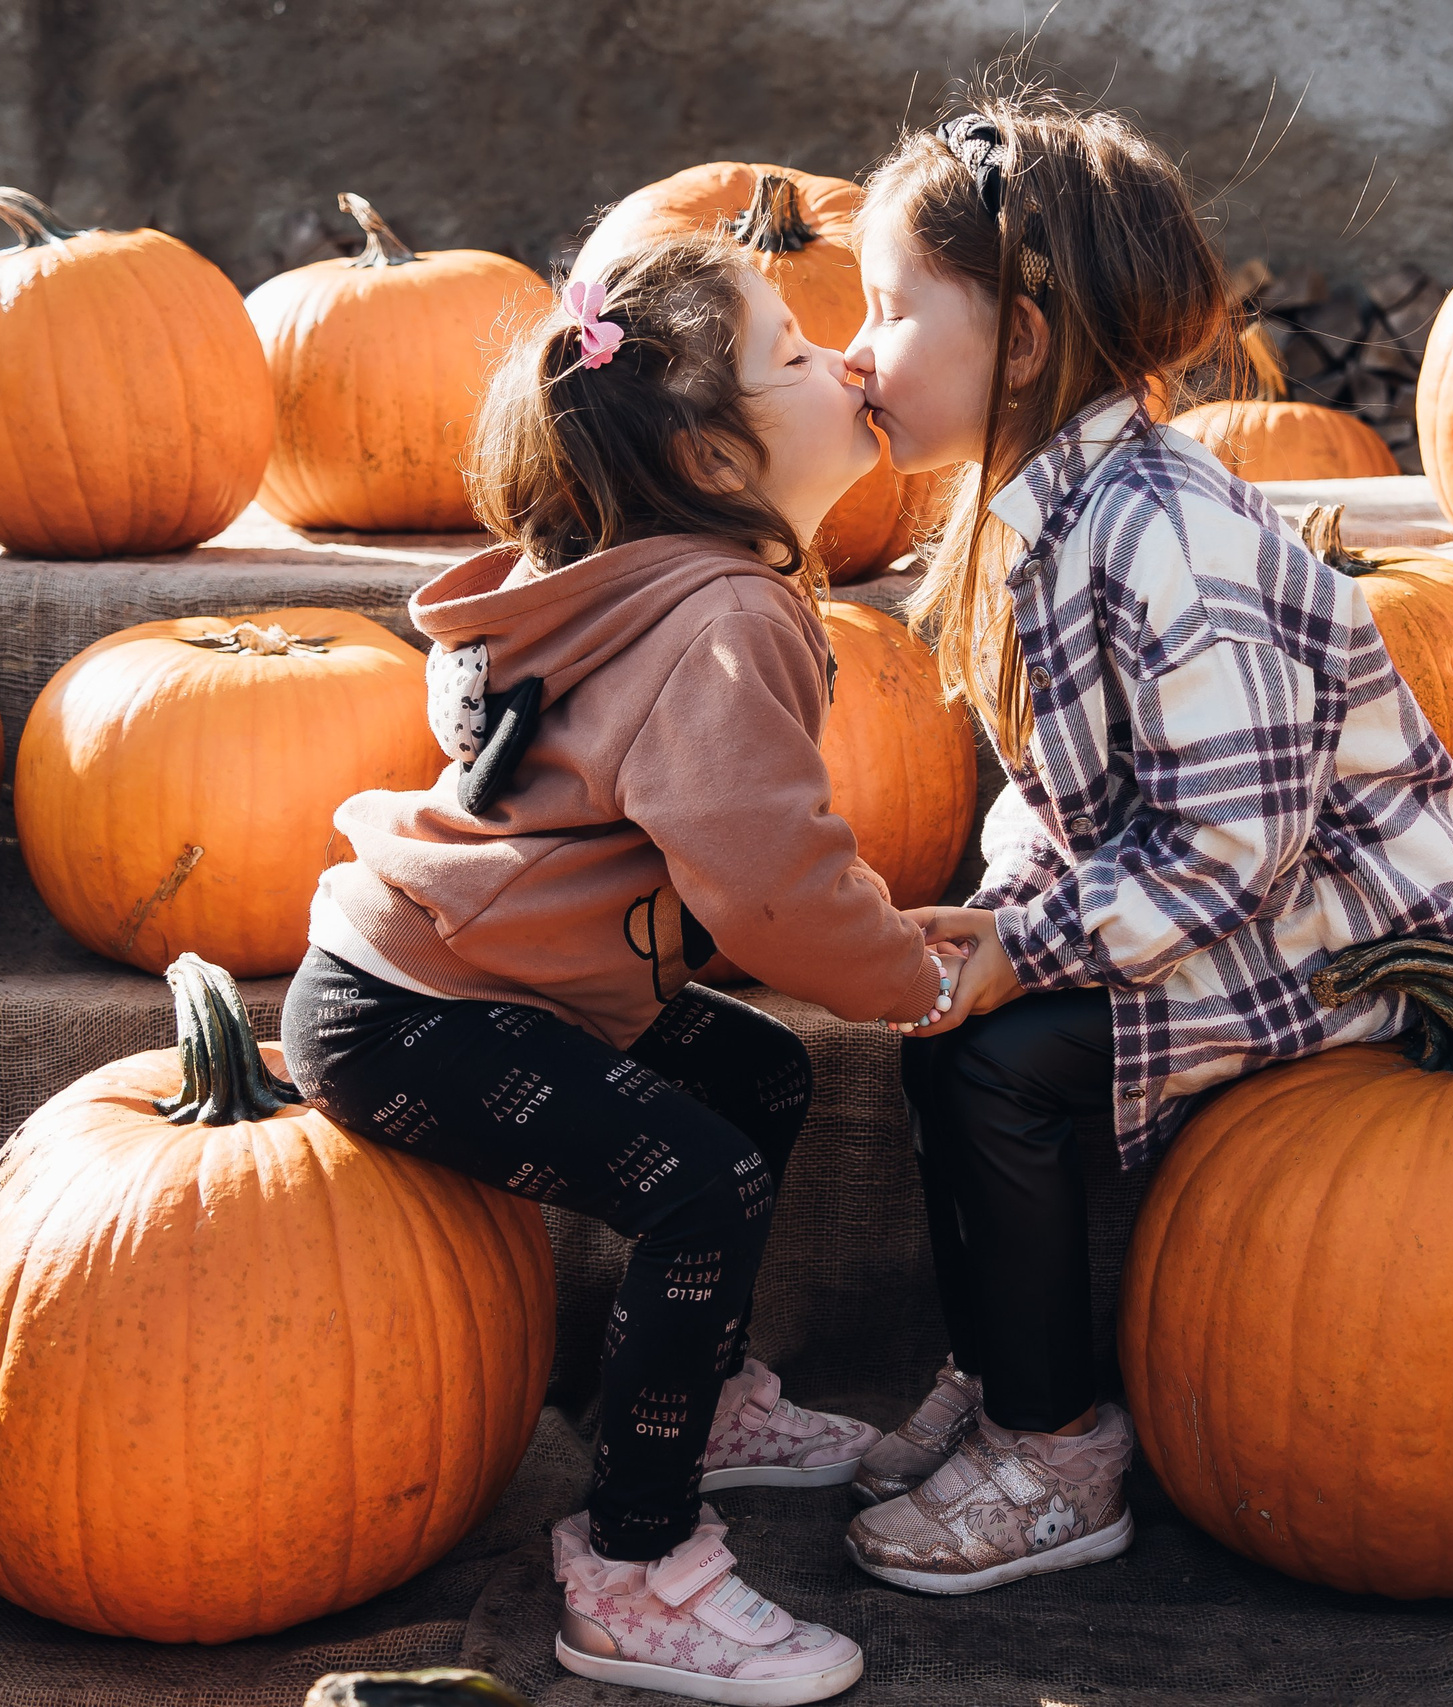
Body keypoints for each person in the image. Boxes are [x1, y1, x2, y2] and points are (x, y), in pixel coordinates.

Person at [838, 93, 1453, 1595]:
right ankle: (997, 1369)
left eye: (890, 311)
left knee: (1002, 1065)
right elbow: (1080, 793)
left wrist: (1035, 951)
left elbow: (1229, 845)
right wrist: (999, 919)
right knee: (940, 1039)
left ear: (1027, 342)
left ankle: (1061, 1451)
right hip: (1220, 903)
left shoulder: (1163, 533)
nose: (856, 350)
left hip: (1341, 937)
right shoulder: (1038, 512)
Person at [281, 233, 960, 1704]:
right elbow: (768, 881)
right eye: (797, 351)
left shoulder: (634, 580)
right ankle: (634, 1563)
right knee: (695, 1180)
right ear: (715, 457)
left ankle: (690, 1398)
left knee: (755, 1070)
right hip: (422, 1019)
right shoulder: (722, 615)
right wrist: (917, 981)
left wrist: (894, 936)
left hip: (445, 982)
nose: (846, 358)